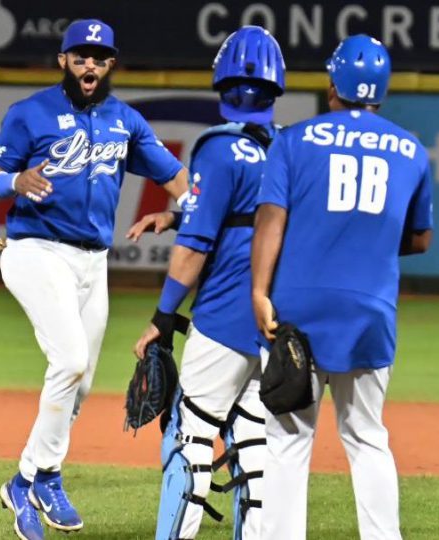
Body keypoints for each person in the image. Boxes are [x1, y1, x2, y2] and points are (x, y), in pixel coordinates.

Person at [0, 18, 188, 540]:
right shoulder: (30, 113)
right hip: (35, 250)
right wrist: (14, 179)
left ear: (111, 63)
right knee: (69, 360)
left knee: (82, 382)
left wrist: (181, 213)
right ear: (63, 61)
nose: (89, 64)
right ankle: (33, 479)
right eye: (80, 55)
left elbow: (175, 178)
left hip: (92, 264)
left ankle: (34, 477)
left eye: (99, 56)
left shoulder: (125, 121)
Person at [250, 35, 433, 540]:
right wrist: (365, 243)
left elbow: (270, 221)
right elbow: (420, 238)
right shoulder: (411, 150)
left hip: (298, 308)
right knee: (367, 436)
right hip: (369, 310)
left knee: (288, 437)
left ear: (333, 84)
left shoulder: (294, 140)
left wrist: (259, 291)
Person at [130, 26, 285, 540]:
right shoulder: (286, 150)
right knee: (255, 451)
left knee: (188, 440)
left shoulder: (217, 148)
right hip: (273, 323)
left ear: (222, 82)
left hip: (221, 318)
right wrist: (176, 216)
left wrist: (163, 317)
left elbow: (196, 248)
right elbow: (254, 216)